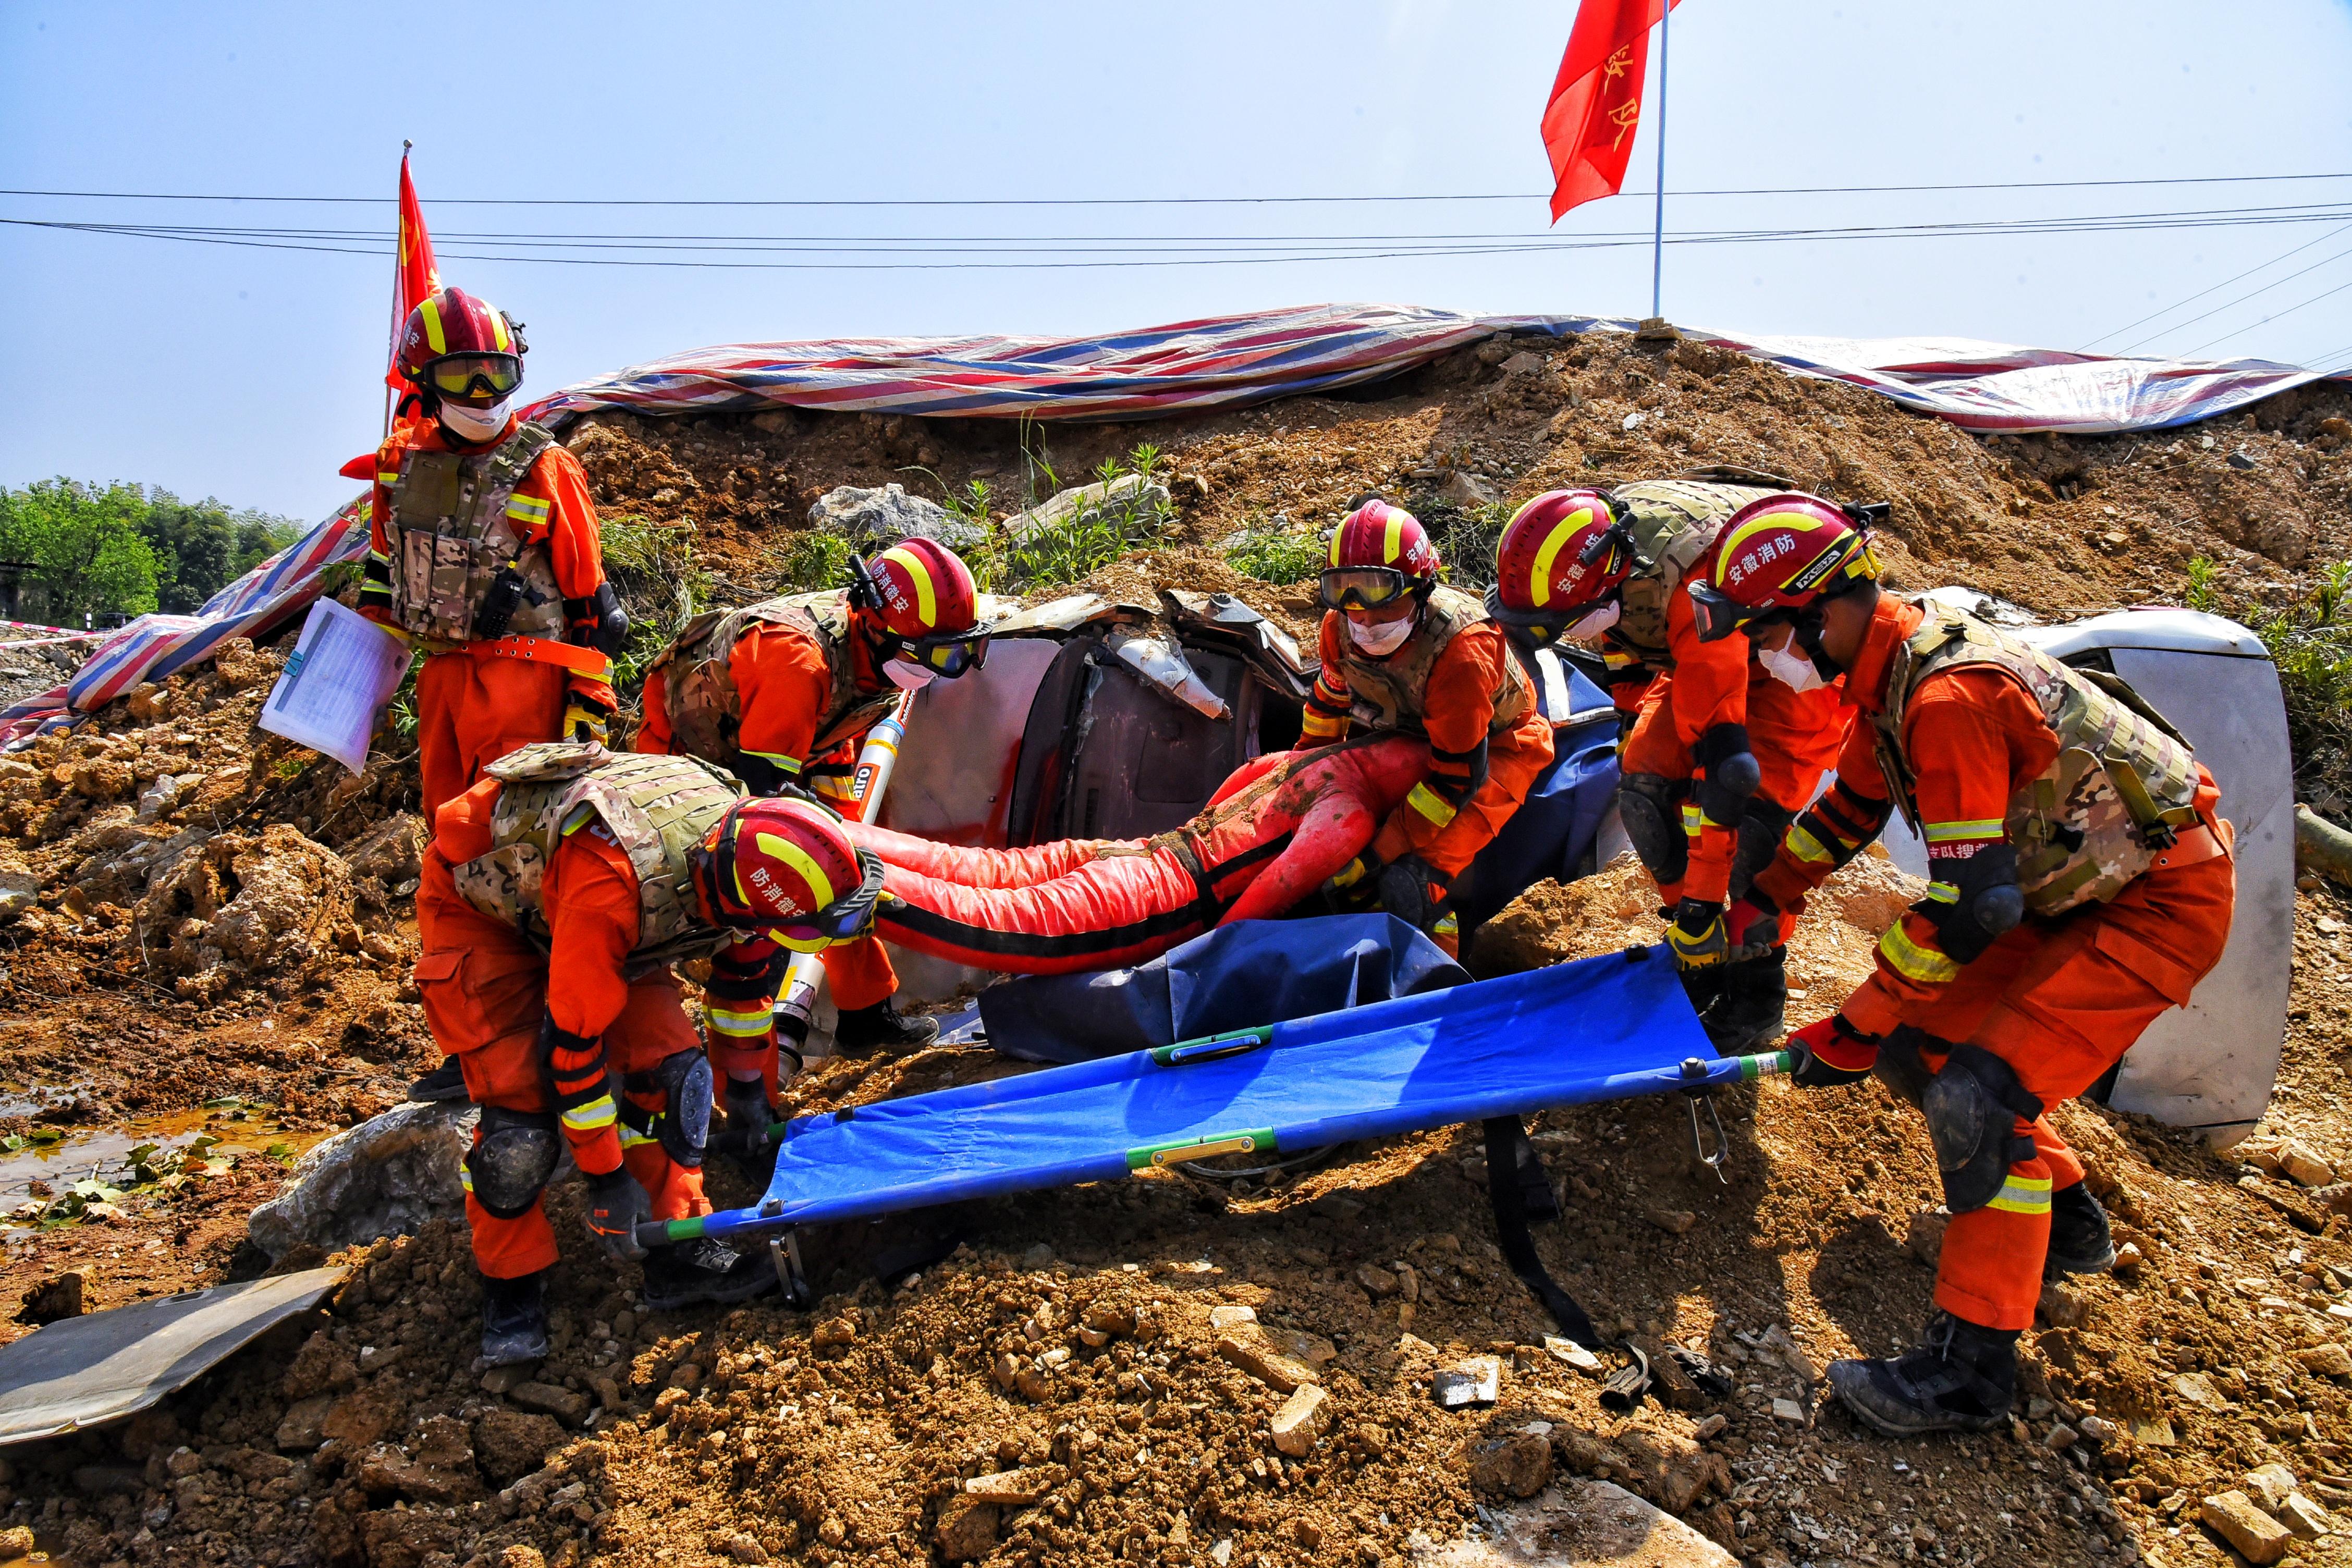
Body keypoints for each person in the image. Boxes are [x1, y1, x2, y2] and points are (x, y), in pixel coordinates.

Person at [1695, 506, 2234, 1437]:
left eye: (1775, 637)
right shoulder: (1888, 673)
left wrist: (1852, 1026)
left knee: (1979, 1098)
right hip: (2070, 885)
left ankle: (1971, 1371)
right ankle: (2065, 1222)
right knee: (1920, 1048)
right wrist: (1768, 892)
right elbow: (1856, 804)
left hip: (2154, 902)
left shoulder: (1947, 698)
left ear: (1835, 606)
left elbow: (1968, 907)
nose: (1769, 659)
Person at [416, 739, 887, 1364]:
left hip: (590, 910)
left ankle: (678, 1245)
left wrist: (747, 1093)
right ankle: (512, 1283)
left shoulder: (754, 866)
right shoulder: (611, 885)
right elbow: (573, 1047)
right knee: (519, 1132)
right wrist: (606, 1178)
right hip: (485, 908)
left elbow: (742, 990)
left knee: (676, 1077)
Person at [1490, 485, 1864, 1054]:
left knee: (1749, 830)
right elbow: (1626, 650)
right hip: (1705, 651)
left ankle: (1755, 990)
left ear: (1603, 588)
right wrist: (1631, 719)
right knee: (1643, 784)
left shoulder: (1692, 594)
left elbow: (1726, 777)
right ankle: (1699, 958)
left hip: (1791, 659)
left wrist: (1704, 899)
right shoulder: (1608, 560)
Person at [635, 538, 990, 1055]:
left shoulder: (875, 651)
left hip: (814, 736)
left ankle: (866, 1012)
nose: (949, 667)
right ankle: (729, 1023)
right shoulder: (796, 663)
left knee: (848, 864)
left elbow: (842, 706)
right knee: (782, 868)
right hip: (693, 746)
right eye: (941, 654)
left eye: (962, 651)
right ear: (878, 629)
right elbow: (761, 807)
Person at [349, 285, 627, 812]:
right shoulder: (398, 463)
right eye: (461, 377)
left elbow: (597, 609)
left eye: (496, 374)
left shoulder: (547, 468)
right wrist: (359, 687)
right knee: (447, 832)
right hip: (442, 680)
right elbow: (383, 578)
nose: (483, 393)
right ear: (423, 381)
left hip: (525, 680)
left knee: (510, 840)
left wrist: (588, 702)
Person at [850, 734, 1431, 974]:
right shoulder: (1348, 811)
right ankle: (825, 870)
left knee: (978, 872)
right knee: (990, 922)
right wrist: (1198, 969)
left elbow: (1226, 794)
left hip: (1138, 852)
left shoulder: (1307, 757)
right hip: (1161, 896)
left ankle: (824, 827)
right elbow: (1265, 898)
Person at [1298, 499, 1554, 953]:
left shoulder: (1461, 653)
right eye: (1345, 591)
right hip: (1406, 732)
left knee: (1408, 883)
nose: (1363, 617)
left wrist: (1379, 854)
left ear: (1419, 588)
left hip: (1494, 751)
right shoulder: (1338, 629)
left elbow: (1454, 780)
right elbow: (1327, 707)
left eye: (1379, 593)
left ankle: (1437, 973)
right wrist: (1301, 782)